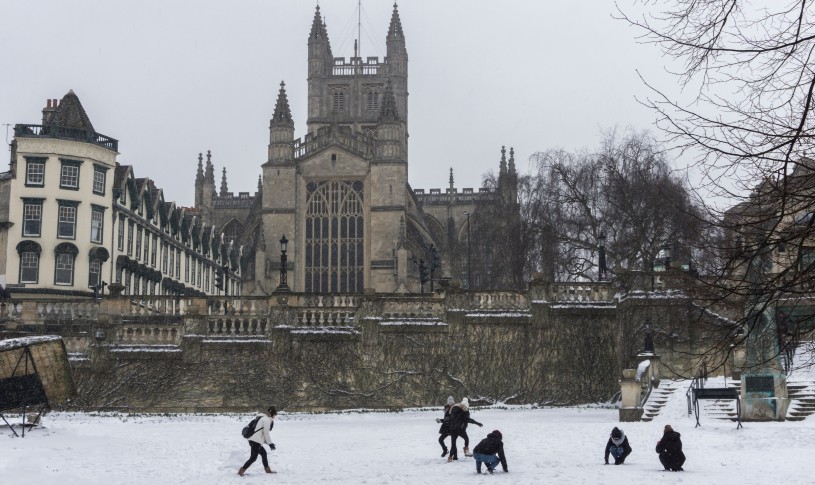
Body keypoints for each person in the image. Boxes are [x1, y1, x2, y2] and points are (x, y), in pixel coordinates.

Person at [238, 406, 277, 476]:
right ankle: (241, 471)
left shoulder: (261, 417)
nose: (274, 417)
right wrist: (270, 443)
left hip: (253, 440)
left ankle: (267, 470)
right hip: (255, 441)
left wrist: (267, 442)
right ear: (272, 414)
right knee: (253, 458)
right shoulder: (266, 419)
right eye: (274, 415)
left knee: (263, 453)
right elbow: (266, 432)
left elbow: (261, 432)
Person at [448, 397, 483, 462]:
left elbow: (450, 419)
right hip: (459, 429)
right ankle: (466, 451)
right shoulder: (463, 411)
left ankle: (450, 457)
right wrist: (476, 423)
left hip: (453, 428)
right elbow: (467, 419)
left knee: (453, 444)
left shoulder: (453, 409)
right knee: (466, 438)